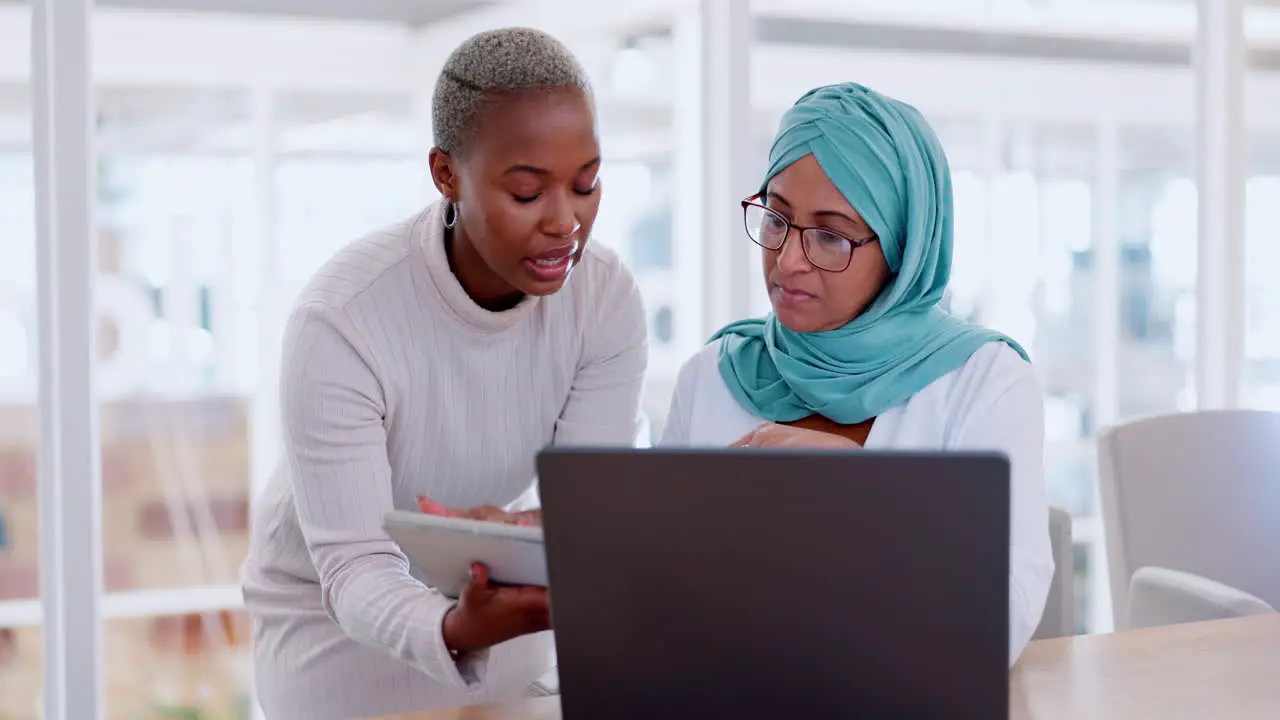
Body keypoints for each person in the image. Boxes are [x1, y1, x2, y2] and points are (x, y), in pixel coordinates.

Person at [240, 28, 648, 719]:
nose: (566, 222)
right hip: (333, 633)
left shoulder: (603, 298)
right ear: (445, 174)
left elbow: (585, 511)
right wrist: (453, 627)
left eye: (587, 184)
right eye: (527, 193)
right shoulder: (344, 318)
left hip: (495, 610)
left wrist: (525, 541)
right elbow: (357, 566)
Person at [659, 82, 1054, 664]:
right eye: (776, 218)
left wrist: (856, 490)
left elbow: (1001, 620)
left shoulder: (984, 380)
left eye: (830, 235)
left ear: (900, 250)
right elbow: (656, 593)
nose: (789, 259)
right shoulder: (713, 374)